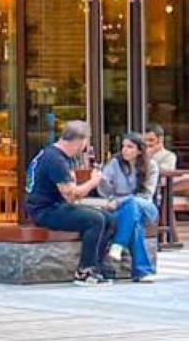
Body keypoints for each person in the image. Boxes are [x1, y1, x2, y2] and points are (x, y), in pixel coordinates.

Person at [24, 119, 111, 283]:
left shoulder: (60, 156)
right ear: (81, 141)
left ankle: (97, 265)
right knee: (95, 220)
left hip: (56, 206)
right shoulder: (55, 159)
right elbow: (71, 196)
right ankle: (85, 270)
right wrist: (93, 181)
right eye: (86, 142)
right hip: (44, 211)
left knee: (109, 219)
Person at [99, 131, 159, 282]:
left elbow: (146, 195)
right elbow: (104, 191)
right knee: (134, 224)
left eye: (130, 147)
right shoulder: (114, 164)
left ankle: (118, 243)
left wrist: (120, 201)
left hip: (145, 207)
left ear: (139, 150)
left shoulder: (151, 166)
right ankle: (141, 271)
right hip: (122, 211)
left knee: (132, 205)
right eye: (123, 146)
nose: (125, 150)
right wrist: (102, 181)